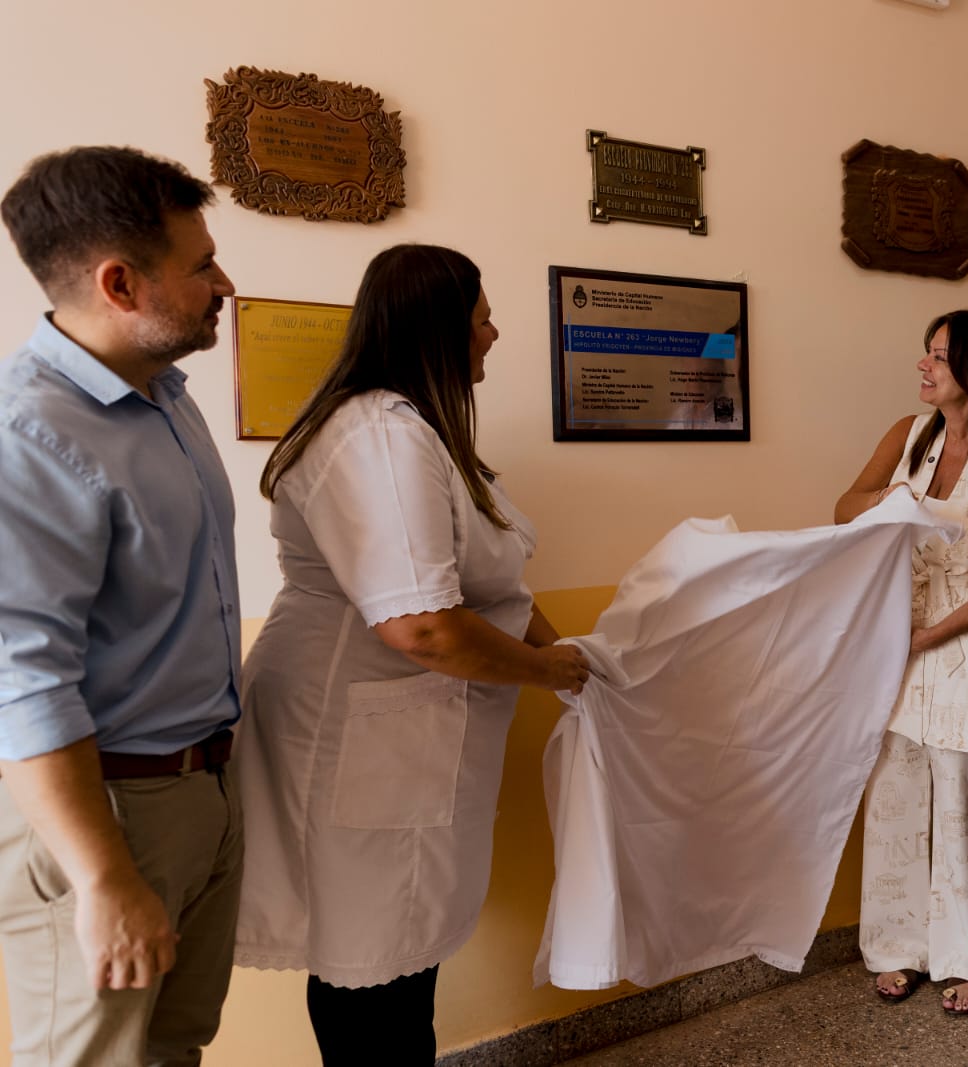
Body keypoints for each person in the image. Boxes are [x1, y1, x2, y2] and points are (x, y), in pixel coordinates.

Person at [231, 244, 590, 1066]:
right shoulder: (378, 437)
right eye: (482, 319)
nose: (494, 334)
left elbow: (492, 583)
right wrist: (547, 671)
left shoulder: (423, 434)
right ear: (438, 328)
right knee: (368, 967)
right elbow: (421, 626)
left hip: (407, 737)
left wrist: (559, 647)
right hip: (357, 736)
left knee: (399, 961)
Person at [0, 146, 242, 1066]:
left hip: (203, 789)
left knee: (175, 1047)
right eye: (202, 265)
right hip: (106, 814)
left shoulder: (167, 397)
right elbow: (22, 678)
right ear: (120, 283)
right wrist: (102, 876)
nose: (224, 284)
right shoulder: (28, 434)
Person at [836, 309, 968, 1015]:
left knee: (960, 809)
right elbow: (843, 509)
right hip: (894, 644)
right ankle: (895, 948)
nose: (924, 365)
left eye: (941, 355)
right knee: (892, 799)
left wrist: (927, 638)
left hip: (967, 649)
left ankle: (967, 961)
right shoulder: (909, 434)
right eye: (927, 351)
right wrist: (888, 498)